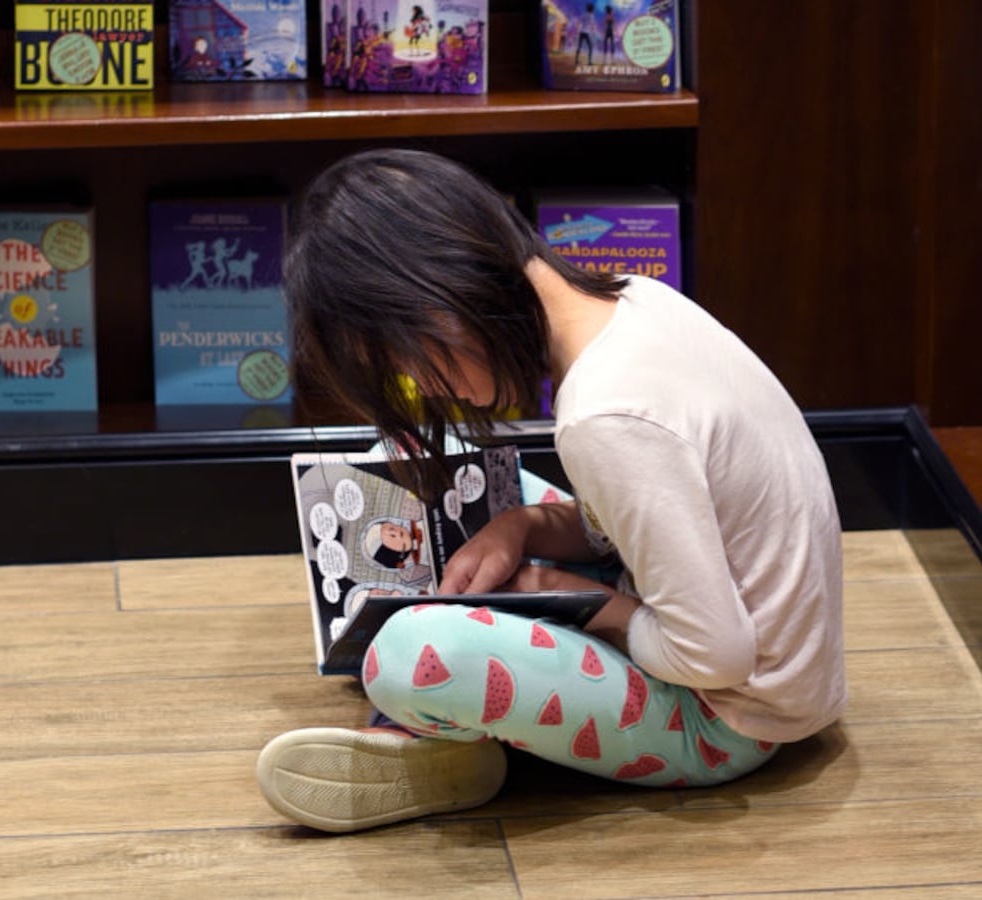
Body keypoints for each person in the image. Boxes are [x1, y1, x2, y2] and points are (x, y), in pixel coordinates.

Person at [255, 148, 846, 833]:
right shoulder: (633, 300)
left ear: (438, 303)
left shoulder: (604, 415)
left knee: (408, 654)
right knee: (408, 456)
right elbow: (645, 516)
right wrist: (527, 529)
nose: (424, 387)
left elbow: (714, 654)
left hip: (730, 718)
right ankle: (453, 711)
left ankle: (430, 731)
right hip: (746, 647)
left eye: (402, 361)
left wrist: (575, 599)